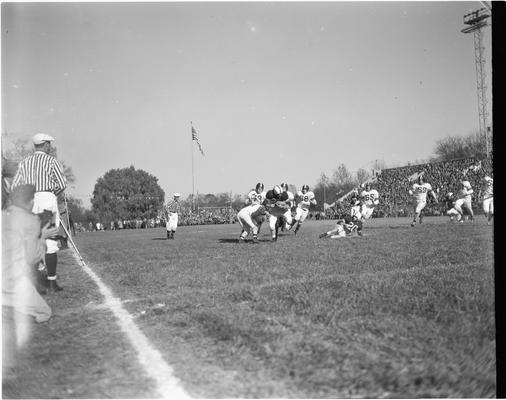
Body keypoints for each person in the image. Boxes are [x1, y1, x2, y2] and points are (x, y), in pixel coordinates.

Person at [3, 185, 59, 365]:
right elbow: (31, 258)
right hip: (10, 279)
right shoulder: (30, 220)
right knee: (44, 312)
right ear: (31, 201)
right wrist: (41, 238)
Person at [11, 133, 67, 292]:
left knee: (31, 240)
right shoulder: (51, 161)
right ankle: (51, 282)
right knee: (50, 239)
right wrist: (50, 193)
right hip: (46, 199)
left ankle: (34, 283)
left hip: (29, 201)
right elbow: (62, 184)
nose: (50, 146)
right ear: (45, 145)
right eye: (49, 144)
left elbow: (15, 185)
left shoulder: (24, 162)